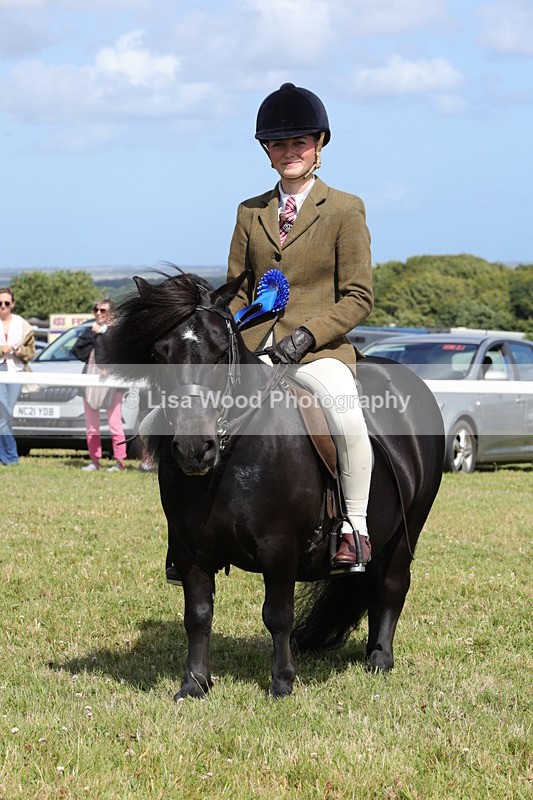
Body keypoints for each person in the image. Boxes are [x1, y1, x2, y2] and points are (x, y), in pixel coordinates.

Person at [226, 83, 374, 571]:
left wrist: (307, 335)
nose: (289, 152)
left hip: (319, 352)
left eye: (299, 143)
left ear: (319, 145)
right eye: (278, 145)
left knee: (348, 418)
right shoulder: (250, 212)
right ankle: (191, 535)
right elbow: (239, 291)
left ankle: (355, 526)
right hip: (255, 350)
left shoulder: (345, 209)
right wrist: (230, 341)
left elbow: (358, 296)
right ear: (267, 152)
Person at [72, 299, 127, 472]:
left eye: (103, 310)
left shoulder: (117, 333)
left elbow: (117, 354)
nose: (98, 313)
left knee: (114, 424)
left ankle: (120, 461)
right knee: (91, 426)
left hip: (113, 384)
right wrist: (96, 335)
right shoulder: (90, 332)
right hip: (89, 382)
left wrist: (103, 332)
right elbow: (78, 351)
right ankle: (94, 460)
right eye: (95, 310)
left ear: (111, 313)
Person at [0, 287, 35, 465]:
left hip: (16, 370)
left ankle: (6, 456)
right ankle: (11, 457)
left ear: (12, 304)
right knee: (3, 415)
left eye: (6, 303)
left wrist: (20, 351)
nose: (3, 306)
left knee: (6, 415)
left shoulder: (22, 324)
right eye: (0, 303)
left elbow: (31, 351)